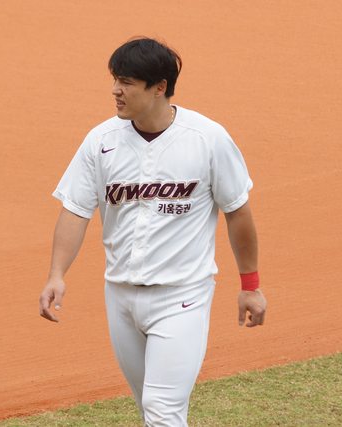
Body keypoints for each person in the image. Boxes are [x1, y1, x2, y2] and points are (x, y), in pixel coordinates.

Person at [38, 37, 267, 426]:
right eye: (115, 80)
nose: (115, 90)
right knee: (151, 410)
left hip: (182, 296)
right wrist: (56, 274)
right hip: (120, 296)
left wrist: (251, 285)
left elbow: (237, 213)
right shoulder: (101, 141)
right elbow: (76, 209)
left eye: (126, 82)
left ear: (159, 87)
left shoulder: (207, 139)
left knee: (162, 410)